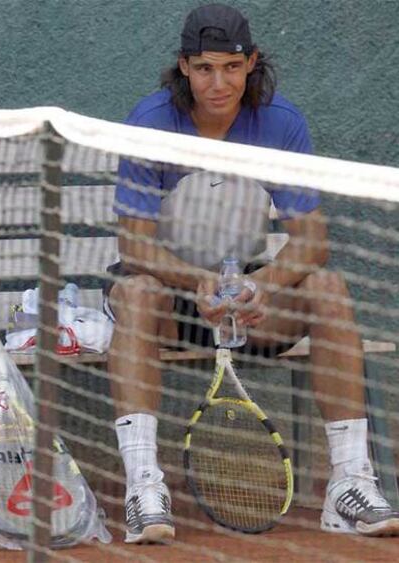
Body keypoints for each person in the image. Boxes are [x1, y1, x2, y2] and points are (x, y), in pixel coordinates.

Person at [106, 3, 399, 543]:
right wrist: (196, 283)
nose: (219, 83)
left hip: (247, 308)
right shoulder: (150, 123)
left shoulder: (280, 123)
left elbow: (312, 241)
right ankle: (144, 488)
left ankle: (350, 483)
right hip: (171, 304)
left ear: (252, 63)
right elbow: (133, 243)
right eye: (204, 69)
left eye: (232, 68)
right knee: (135, 291)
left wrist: (261, 286)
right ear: (184, 67)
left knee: (329, 287)